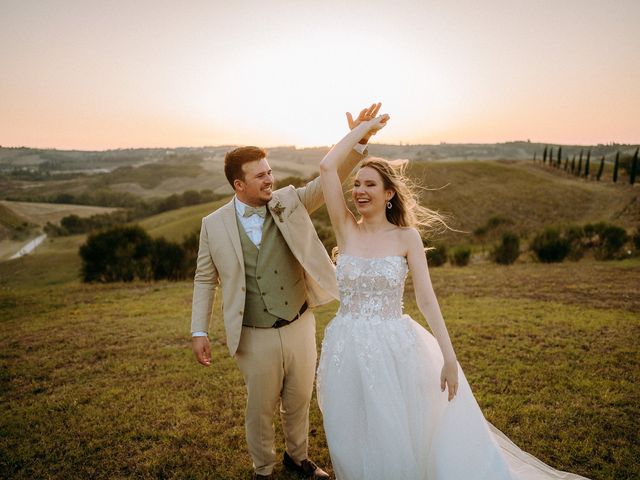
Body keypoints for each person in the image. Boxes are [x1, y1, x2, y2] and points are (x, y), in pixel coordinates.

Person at [316, 113, 591, 479]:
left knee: (393, 431)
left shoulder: (406, 238)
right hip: (344, 345)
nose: (360, 191)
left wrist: (449, 358)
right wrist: (361, 133)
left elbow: (427, 299)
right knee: (349, 428)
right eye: (357, 184)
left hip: (393, 347)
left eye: (370, 184)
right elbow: (325, 167)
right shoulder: (346, 228)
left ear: (389, 194)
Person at [190, 103, 383, 479]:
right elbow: (203, 279)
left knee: (298, 400)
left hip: (298, 321)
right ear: (238, 184)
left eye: (270, 171)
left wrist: (358, 140)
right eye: (259, 176)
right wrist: (199, 330)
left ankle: (298, 459)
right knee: (260, 408)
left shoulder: (290, 201)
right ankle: (263, 469)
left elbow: (327, 179)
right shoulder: (212, 226)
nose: (269, 180)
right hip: (253, 332)